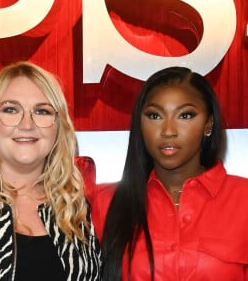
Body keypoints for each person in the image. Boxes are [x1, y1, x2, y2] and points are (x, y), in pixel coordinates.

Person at [90, 66, 248, 280]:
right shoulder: (104, 202)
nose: (168, 131)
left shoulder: (243, 199)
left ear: (208, 124)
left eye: (185, 115)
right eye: (154, 115)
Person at [0, 61, 101, 280]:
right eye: (10, 109)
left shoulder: (76, 209)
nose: (27, 124)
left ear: (59, 126)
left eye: (42, 111)